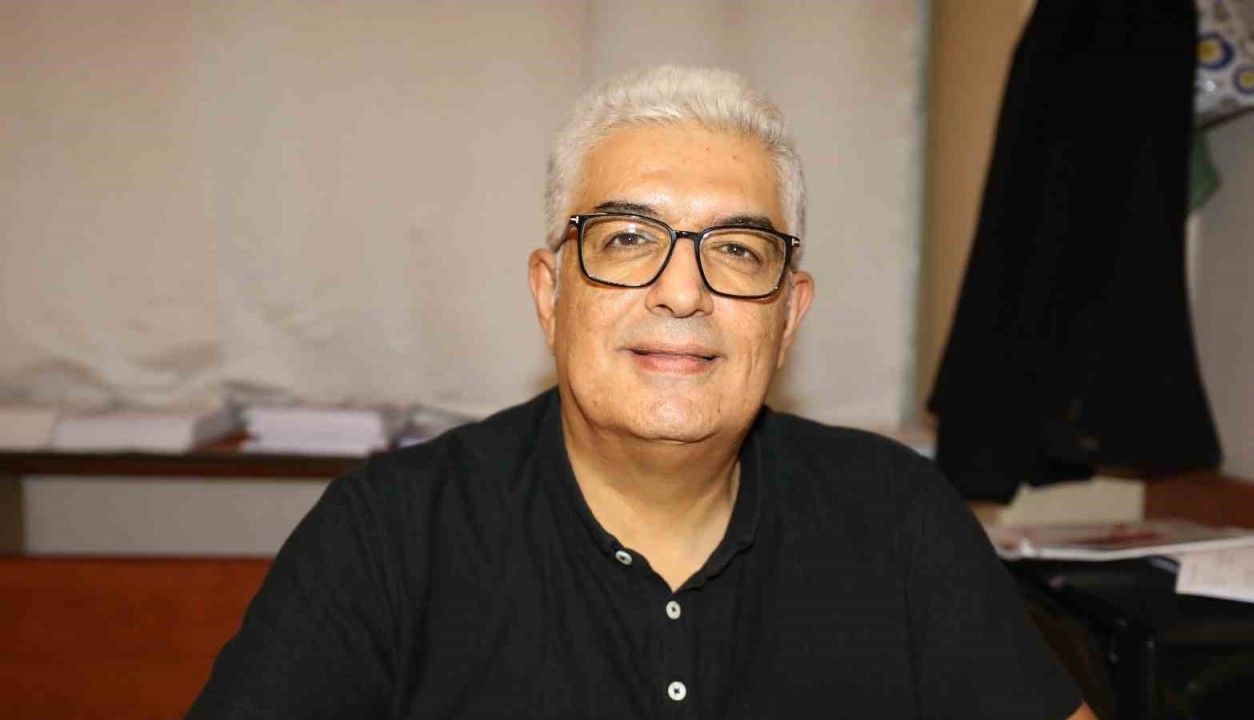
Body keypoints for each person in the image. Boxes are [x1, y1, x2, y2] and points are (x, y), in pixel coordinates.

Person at [190, 65, 1093, 719]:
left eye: (736, 249)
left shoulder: (896, 515)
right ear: (550, 295)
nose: (683, 292)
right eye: (627, 239)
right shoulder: (389, 534)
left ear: (788, 316)